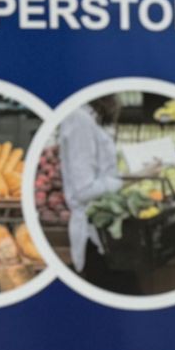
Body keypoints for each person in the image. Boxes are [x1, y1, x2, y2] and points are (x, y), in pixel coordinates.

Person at [57, 94, 124, 277]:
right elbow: (84, 190)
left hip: (102, 231)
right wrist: (125, 182)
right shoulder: (79, 119)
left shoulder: (88, 118)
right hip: (92, 235)